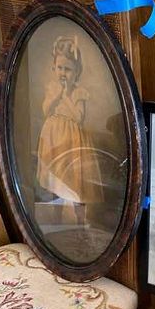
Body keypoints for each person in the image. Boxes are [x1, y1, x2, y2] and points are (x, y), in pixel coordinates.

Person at [37, 36, 102, 226]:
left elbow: (78, 117)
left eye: (68, 69)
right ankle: (57, 218)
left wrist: (66, 95)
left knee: (75, 184)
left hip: (73, 143)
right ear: (54, 68)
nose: (63, 73)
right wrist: (57, 95)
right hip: (53, 141)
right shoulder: (52, 89)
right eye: (59, 68)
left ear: (77, 72)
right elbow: (46, 110)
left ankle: (80, 221)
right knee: (56, 181)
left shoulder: (79, 93)